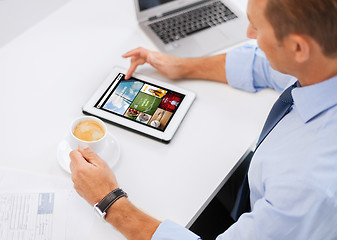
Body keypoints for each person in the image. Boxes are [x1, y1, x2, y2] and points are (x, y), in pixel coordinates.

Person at [69, 0, 337, 239]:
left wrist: (109, 202)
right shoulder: (323, 62)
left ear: (298, 47)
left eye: (257, 27)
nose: (248, 34)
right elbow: (263, 64)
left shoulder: (309, 186)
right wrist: (181, 66)